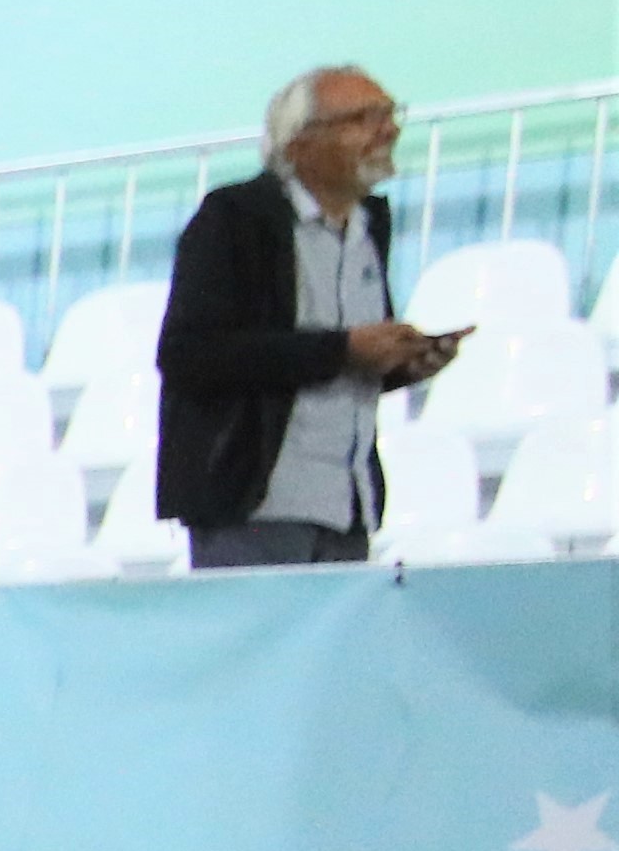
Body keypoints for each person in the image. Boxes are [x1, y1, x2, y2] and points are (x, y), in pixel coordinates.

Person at [157, 64, 459, 567]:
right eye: (363, 118)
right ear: (299, 144)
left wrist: (398, 363)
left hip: (348, 502)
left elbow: (326, 361)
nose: (388, 130)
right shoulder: (234, 219)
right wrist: (343, 349)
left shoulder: (368, 226)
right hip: (255, 503)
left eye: (389, 114)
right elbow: (191, 355)